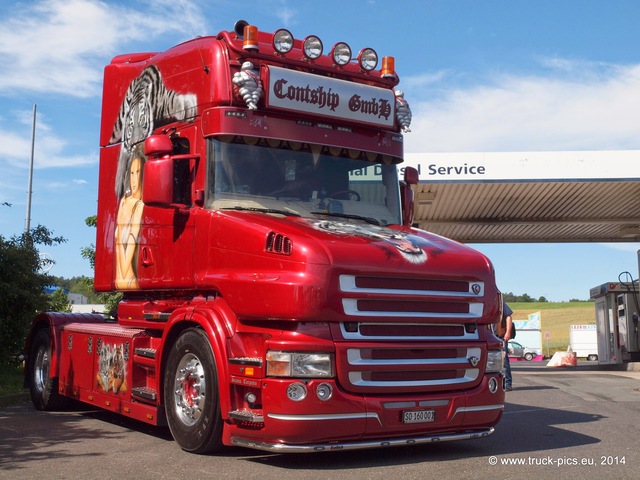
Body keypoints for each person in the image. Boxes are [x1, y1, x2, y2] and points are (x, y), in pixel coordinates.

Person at [114, 147, 145, 289]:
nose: (134, 178)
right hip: (123, 277)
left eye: (138, 172)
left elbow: (132, 239)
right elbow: (119, 237)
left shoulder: (139, 205)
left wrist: (124, 271)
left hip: (128, 277)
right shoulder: (123, 202)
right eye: (131, 173)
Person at [495, 300, 514, 391]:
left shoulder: (500, 303)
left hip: (500, 335)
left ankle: (508, 383)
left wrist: (508, 332)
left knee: (504, 360)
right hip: (490, 335)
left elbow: (508, 317)